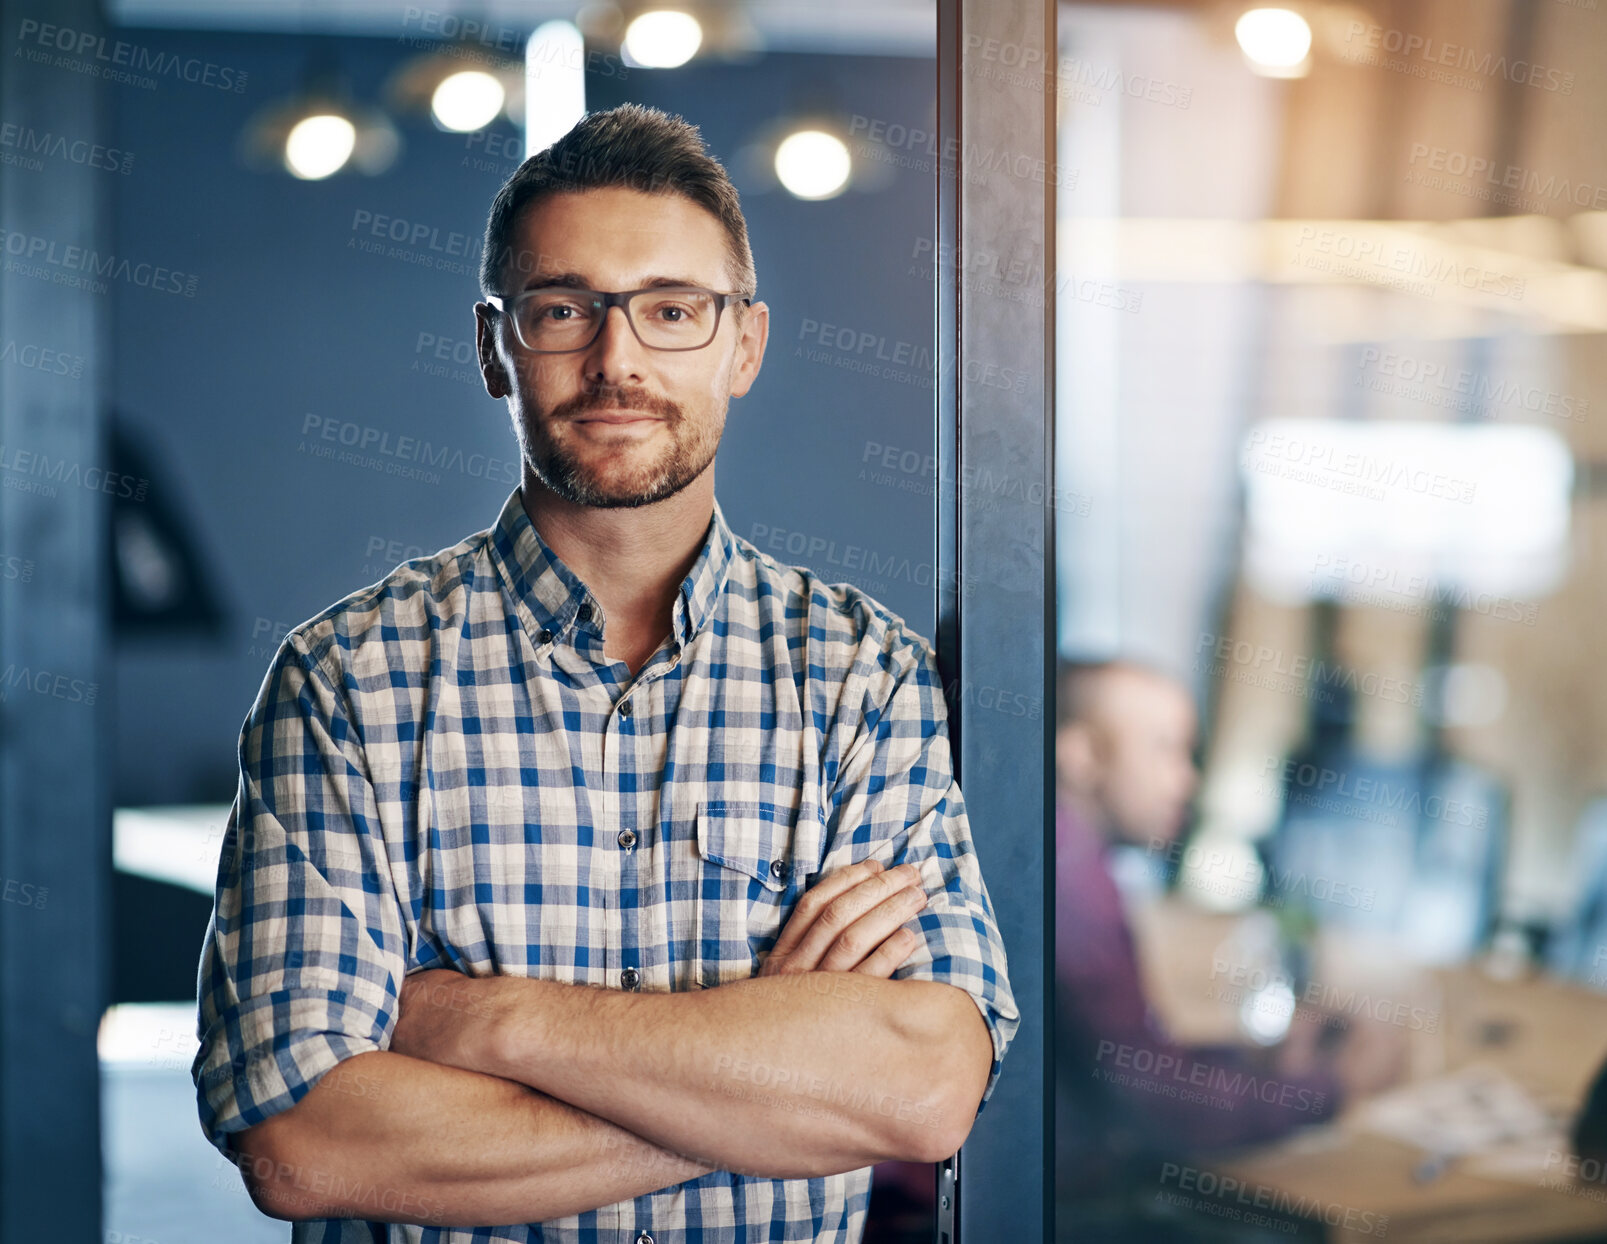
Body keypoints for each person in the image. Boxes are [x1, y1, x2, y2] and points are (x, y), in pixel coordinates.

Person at [192, 104, 1018, 1243]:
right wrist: (768, 1074)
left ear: (743, 343)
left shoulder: (862, 678)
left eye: (671, 309)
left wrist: (487, 1024)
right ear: (494, 346)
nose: (617, 359)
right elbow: (303, 1141)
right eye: (564, 309)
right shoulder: (345, 683)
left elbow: (924, 1088)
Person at [1054, 659, 1404, 1231]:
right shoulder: (1069, 880)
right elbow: (1155, 1103)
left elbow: (1132, 1059)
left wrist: (1259, 1058)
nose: (1186, 781)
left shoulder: (1068, 860)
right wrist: (1336, 1087)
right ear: (1083, 755)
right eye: (1165, 750)